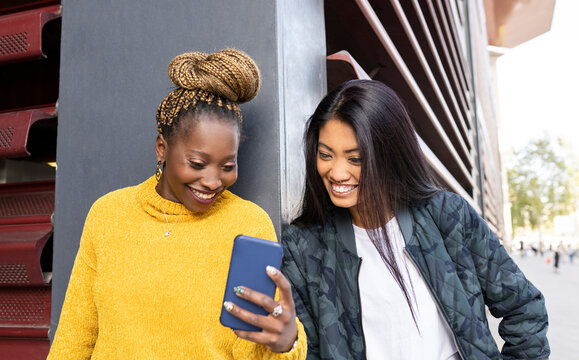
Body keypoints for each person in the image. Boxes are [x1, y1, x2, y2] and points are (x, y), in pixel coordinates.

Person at [48, 49, 306, 359]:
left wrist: (288, 343)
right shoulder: (108, 215)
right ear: (162, 148)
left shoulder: (248, 224)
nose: (213, 181)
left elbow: (259, 341)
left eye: (227, 166)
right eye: (197, 163)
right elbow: (75, 336)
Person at [281, 79, 549, 359]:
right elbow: (307, 351)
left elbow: (524, 308)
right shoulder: (302, 249)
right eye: (325, 155)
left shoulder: (448, 216)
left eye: (355, 159)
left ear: (389, 154)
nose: (336, 172)